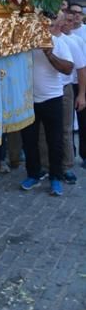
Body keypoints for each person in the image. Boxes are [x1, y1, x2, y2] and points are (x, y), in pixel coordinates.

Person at [20, 17, 73, 196]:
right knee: (29, 141)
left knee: (55, 141)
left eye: (48, 25)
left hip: (53, 98)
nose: (43, 28)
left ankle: (55, 177)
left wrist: (49, 54)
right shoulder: (25, 43)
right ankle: (33, 174)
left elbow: (68, 68)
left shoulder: (58, 43)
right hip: (28, 100)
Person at [58, 11, 86, 183]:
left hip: (70, 85)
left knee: (69, 128)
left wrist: (82, 94)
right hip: (51, 90)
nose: (67, 23)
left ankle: (70, 162)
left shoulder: (74, 41)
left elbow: (82, 68)